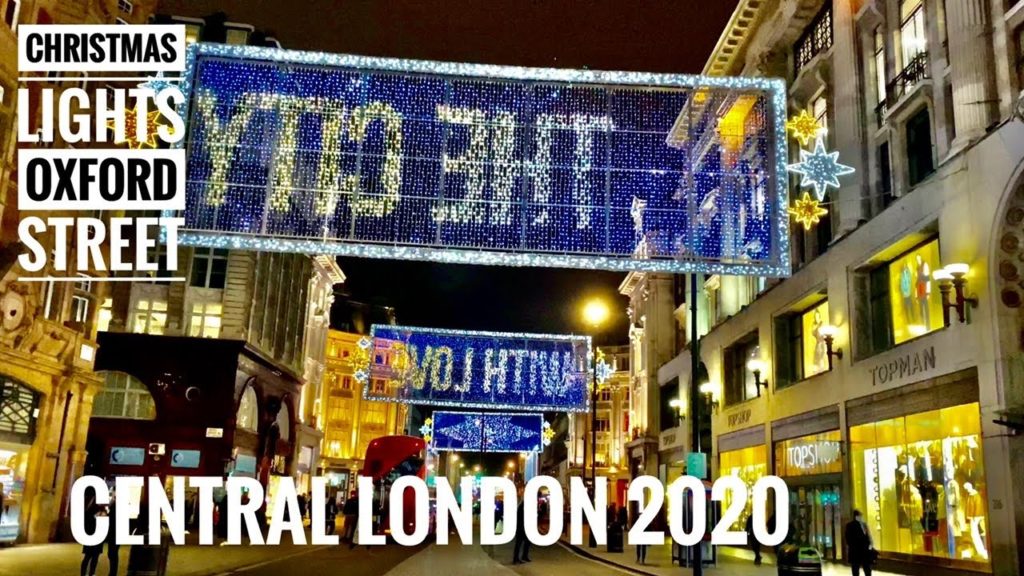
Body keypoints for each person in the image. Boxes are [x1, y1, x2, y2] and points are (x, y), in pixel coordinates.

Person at [846, 509, 875, 576]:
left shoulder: (864, 524)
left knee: (866, 569)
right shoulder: (850, 525)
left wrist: (870, 544)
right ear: (856, 516)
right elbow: (848, 539)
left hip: (864, 551)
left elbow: (868, 536)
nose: (861, 517)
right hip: (856, 551)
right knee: (857, 570)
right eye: (860, 516)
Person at [80, 498, 103, 576]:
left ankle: (84, 573)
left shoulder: (88, 509)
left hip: (90, 536)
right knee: (94, 557)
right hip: (96, 537)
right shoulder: (98, 510)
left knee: (88, 556)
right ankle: (91, 573)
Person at [512, 487, 531, 564]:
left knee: (527, 542)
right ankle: (516, 558)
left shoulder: (523, 505)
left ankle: (524, 556)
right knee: (519, 543)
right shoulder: (522, 506)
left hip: (523, 527)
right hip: (521, 527)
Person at [106, 498, 120, 576]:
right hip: (113, 531)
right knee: (112, 553)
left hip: (115, 531)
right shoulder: (114, 502)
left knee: (112, 553)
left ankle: (113, 573)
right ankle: (112, 572)